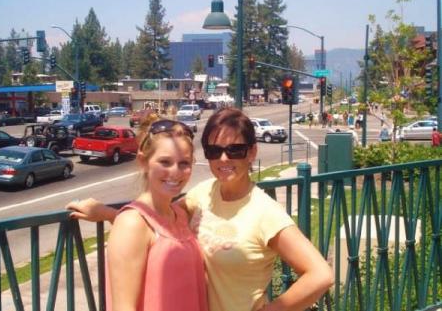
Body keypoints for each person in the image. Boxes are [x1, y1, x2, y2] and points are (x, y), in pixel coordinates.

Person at [68, 108, 334, 311]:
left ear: (252, 153)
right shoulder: (204, 193)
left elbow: (321, 275)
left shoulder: (265, 211)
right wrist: (107, 213)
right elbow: (157, 226)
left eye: (236, 150)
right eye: (214, 150)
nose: (224, 159)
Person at [73, 115, 208, 311]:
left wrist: (109, 214)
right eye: (165, 162)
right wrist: (115, 217)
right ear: (144, 162)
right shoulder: (131, 224)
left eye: (184, 163)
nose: (176, 172)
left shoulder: (179, 214)